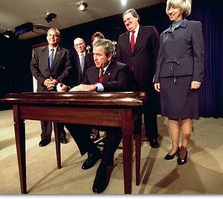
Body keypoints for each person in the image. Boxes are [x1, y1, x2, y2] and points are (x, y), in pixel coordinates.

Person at [58, 39, 129, 193]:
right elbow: (82, 87)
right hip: (91, 114)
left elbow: (122, 85)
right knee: (68, 120)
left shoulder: (121, 68)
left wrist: (96, 86)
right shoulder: (90, 71)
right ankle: (93, 150)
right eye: (94, 54)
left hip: (112, 115)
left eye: (99, 55)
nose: (95, 58)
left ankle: (104, 165)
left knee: (115, 128)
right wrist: (69, 88)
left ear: (109, 56)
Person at [154, 0, 204, 165]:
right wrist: (157, 77)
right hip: (167, 79)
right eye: (169, 8)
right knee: (172, 118)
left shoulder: (194, 26)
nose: (170, 11)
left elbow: (199, 54)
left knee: (186, 117)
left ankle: (184, 147)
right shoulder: (164, 34)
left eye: (173, 7)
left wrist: (197, 77)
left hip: (187, 78)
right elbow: (160, 58)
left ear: (183, 8)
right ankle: (174, 147)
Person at [116, 8, 160, 148]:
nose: (127, 22)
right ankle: (136, 135)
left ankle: (152, 136)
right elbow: (119, 61)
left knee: (149, 110)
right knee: (133, 112)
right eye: (124, 21)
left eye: (129, 19)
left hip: (148, 79)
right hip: (129, 82)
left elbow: (158, 55)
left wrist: (157, 75)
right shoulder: (121, 38)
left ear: (136, 18)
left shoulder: (150, 31)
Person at [30, 27, 73, 147]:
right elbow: (33, 68)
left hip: (58, 87)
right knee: (44, 112)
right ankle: (45, 136)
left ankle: (61, 135)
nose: (52, 37)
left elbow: (68, 68)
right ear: (46, 37)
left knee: (59, 112)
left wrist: (57, 81)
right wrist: (43, 81)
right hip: (42, 87)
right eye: (50, 35)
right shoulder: (38, 51)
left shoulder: (65, 52)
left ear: (59, 38)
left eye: (55, 35)